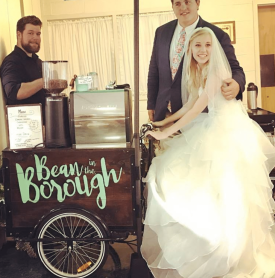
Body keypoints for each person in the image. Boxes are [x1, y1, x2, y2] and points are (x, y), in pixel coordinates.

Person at [141, 27, 275, 278]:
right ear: (190, 49)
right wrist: (162, 124)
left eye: (207, 46)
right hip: (211, 126)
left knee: (218, 191)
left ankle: (222, 250)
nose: (203, 51)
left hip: (226, 132)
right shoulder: (199, 70)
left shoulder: (216, 71)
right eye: (197, 46)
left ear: (214, 48)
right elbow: (191, 104)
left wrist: (163, 134)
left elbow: (195, 111)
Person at [147, 0, 246, 122]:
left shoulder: (217, 34)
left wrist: (237, 84)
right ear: (172, 6)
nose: (183, 7)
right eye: (177, 3)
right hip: (163, 111)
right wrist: (151, 103)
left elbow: (236, 69)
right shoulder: (161, 32)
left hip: (199, 117)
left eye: (187, 2)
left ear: (198, 3)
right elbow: (154, 70)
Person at [0, 15, 46, 119]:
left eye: (38, 34)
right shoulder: (11, 61)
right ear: (19, 34)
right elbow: (14, 92)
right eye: (30, 33)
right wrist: (45, 81)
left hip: (43, 125)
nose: (35, 37)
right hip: (26, 129)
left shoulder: (38, 61)